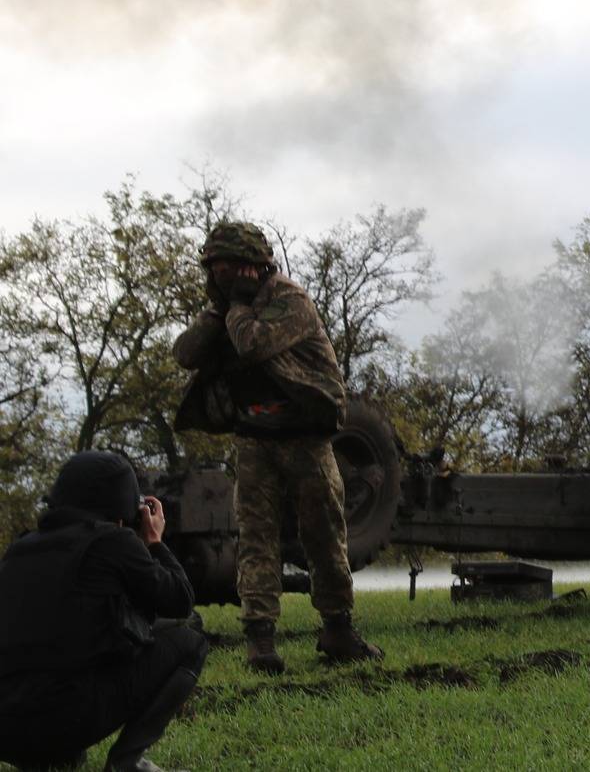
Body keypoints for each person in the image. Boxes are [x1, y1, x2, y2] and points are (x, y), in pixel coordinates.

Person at [170, 220, 379, 673]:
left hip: (304, 437)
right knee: (256, 540)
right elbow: (185, 353)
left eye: (229, 266)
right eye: (214, 267)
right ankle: (260, 641)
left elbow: (252, 345)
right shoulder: (228, 308)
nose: (220, 274)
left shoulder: (289, 300)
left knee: (323, 536)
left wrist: (238, 307)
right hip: (255, 439)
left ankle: (338, 629)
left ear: (254, 267)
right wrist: (217, 313)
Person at [0, 451, 207, 772]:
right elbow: (180, 600)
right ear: (123, 506)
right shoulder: (112, 541)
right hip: (62, 719)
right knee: (190, 639)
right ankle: (126, 763)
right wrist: (154, 542)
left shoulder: (19, 548)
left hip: (7, 730)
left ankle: (47, 758)